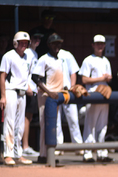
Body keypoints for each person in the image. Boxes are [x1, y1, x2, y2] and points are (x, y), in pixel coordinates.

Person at [0, 31, 34, 166]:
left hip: (22, 93)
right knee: (10, 123)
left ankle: (18, 154)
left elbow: (26, 76)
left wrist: (28, 87)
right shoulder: (9, 56)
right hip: (10, 91)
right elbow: (2, 76)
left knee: (20, 125)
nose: (23, 45)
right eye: (21, 43)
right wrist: (3, 96)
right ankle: (8, 154)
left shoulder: (28, 57)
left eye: (26, 43)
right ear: (15, 44)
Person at [32, 33, 66, 163]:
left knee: (54, 126)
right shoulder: (44, 59)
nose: (57, 46)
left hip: (56, 96)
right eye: (54, 43)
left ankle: (49, 154)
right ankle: (43, 155)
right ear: (49, 45)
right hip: (46, 96)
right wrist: (49, 91)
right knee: (45, 125)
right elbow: (35, 77)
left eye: (59, 43)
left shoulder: (60, 59)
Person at [79, 34, 113, 162]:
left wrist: (107, 79)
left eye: (102, 44)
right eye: (97, 43)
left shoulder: (106, 60)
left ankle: (101, 152)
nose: (100, 46)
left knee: (103, 125)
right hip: (92, 95)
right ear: (93, 45)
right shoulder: (88, 60)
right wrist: (102, 79)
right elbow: (84, 79)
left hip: (104, 95)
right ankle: (87, 153)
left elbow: (108, 78)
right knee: (90, 125)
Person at [56, 44, 83, 153]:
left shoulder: (66, 54)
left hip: (67, 91)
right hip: (56, 91)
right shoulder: (48, 56)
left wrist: (73, 86)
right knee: (56, 121)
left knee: (73, 119)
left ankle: (78, 146)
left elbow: (73, 72)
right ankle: (58, 146)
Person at [21, 32, 43, 157]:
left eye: (39, 38)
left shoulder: (34, 53)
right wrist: (28, 86)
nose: (37, 40)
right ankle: (24, 146)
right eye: (35, 38)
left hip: (34, 89)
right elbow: (26, 72)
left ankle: (25, 145)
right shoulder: (28, 53)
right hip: (28, 89)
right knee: (26, 118)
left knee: (28, 117)